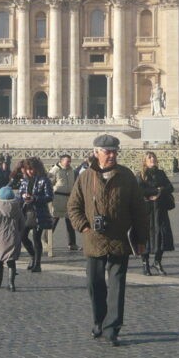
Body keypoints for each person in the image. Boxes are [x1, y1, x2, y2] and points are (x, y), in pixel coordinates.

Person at [67, 135, 148, 346]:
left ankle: (112, 328)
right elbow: (73, 206)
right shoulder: (84, 177)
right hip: (93, 240)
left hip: (119, 239)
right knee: (94, 284)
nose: (112, 155)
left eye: (114, 151)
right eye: (107, 151)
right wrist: (84, 226)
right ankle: (99, 321)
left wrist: (141, 238)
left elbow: (139, 210)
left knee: (117, 285)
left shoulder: (127, 176)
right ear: (96, 153)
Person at [137, 151, 175, 275]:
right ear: (145, 161)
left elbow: (170, 187)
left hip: (160, 210)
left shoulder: (161, 173)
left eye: (153, 157)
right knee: (146, 237)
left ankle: (157, 261)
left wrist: (160, 191)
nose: (152, 159)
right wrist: (155, 191)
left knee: (161, 236)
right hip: (146, 211)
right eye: (149, 157)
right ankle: (145, 263)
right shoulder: (140, 175)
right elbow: (139, 190)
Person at [18, 157, 54, 273]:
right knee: (22, 236)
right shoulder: (24, 180)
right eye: (28, 169)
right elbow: (20, 194)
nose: (29, 172)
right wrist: (23, 197)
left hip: (39, 213)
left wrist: (35, 198)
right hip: (26, 212)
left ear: (37, 168)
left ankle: (37, 264)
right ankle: (33, 256)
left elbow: (49, 197)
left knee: (36, 238)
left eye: (31, 169)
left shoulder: (44, 180)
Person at [0, 186, 24, 291]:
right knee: (11, 261)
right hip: (13, 237)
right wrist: (18, 233)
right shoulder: (17, 209)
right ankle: (11, 283)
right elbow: (22, 224)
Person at [48, 154, 79, 252]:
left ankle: (72, 244)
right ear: (61, 161)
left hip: (69, 198)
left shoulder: (72, 171)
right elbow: (49, 184)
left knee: (70, 222)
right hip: (58, 198)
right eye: (67, 161)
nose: (69, 163)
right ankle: (46, 241)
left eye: (70, 161)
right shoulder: (54, 170)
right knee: (54, 220)